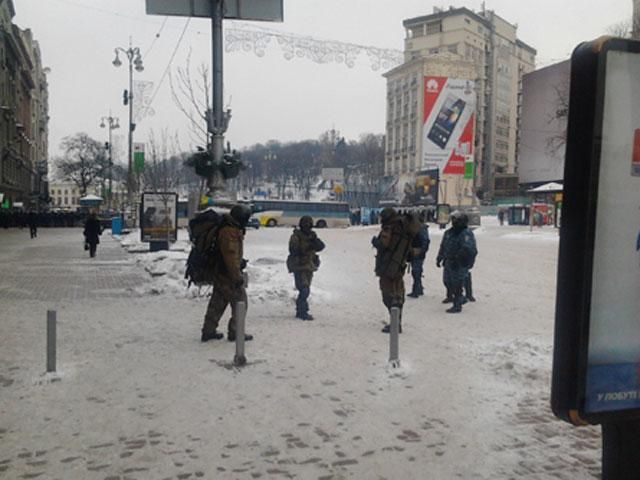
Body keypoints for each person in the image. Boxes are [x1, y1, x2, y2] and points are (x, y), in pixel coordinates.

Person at [201, 205, 254, 343]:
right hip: (228, 274)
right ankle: (235, 332)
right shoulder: (230, 231)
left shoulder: (227, 228)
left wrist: (239, 262)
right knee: (241, 301)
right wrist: (237, 276)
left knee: (218, 302)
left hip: (221, 271)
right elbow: (230, 256)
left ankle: (208, 330)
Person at [372, 207, 419, 333]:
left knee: (388, 296)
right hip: (399, 266)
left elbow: (384, 245)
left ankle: (395, 324)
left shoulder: (389, 227)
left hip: (388, 267)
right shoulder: (404, 227)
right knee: (398, 294)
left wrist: (376, 242)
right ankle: (397, 322)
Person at [436, 211, 477, 313]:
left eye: (456, 220)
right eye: (453, 220)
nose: (454, 222)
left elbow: (468, 248)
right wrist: (439, 257)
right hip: (448, 261)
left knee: (457, 284)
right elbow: (443, 246)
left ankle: (457, 304)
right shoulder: (449, 233)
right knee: (447, 281)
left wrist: (459, 258)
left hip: (459, 263)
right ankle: (456, 297)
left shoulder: (466, 233)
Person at [287, 216, 325, 320]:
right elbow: (293, 250)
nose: (307, 227)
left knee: (305, 288)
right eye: (305, 224)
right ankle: (302, 311)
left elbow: (321, 246)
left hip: (309, 265)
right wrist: (306, 247)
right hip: (299, 266)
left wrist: (314, 242)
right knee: (304, 289)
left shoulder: (312, 235)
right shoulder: (296, 236)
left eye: (309, 225)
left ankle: (301, 310)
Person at [407, 213, 430, 298]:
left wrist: (421, 252)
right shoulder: (416, 228)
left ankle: (416, 290)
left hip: (418, 252)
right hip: (414, 252)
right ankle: (419, 289)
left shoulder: (421, 228)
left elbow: (425, 241)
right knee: (416, 271)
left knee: (416, 272)